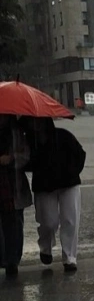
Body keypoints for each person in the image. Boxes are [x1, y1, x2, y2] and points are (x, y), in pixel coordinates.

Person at [22, 117, 86, 273]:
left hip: (68, 183)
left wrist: (72, 171)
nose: (35, 124)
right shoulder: (28, 141)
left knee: (70, 220)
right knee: (47, 221)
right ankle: (46, 246)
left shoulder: (63, 136)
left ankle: (69, 257)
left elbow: (80, 154)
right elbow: (25, 163)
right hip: (44, 186)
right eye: (31, 121)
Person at [0, 116, 32, 277]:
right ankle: (3, 258)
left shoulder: (16, 130)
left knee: (14, 224)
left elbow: (25, 154)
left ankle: (13, 261)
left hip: (14, 185)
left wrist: (12, 158)